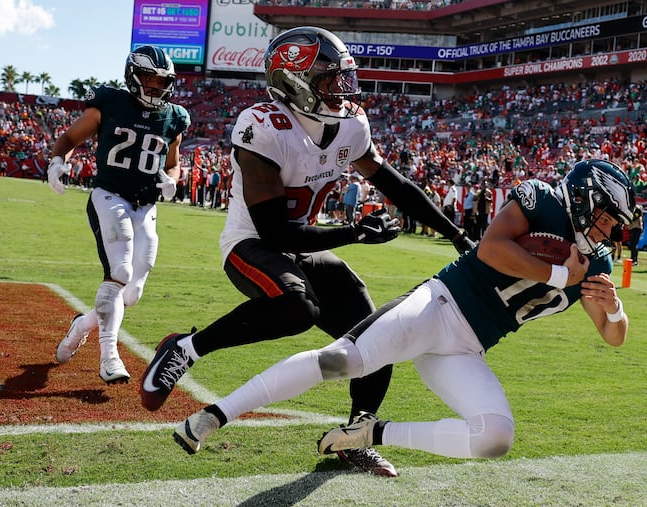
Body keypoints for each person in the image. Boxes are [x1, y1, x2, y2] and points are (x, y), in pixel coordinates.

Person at [139, 27, 473, 477]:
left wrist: (457, 234)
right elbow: (276, 232)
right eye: (328, 79)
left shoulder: (350, 124)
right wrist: (353, 233)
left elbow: (395, 184)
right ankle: (185, 348)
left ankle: (356, 436)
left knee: (377, 334)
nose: (342, 88)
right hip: (250, 244)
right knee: (298, 308)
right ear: (293, 82)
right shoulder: (261, 126)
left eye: (342, 77)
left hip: (298, 246)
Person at [169, 159, 635, 467]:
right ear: (582, 198)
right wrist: (559, 274)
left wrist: (613, 310)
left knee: (494, 437)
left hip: (467, 348)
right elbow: (491, 249)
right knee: (343, 360)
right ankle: (214, 415)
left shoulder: (597, 264)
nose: (609, 231)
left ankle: (373, 433)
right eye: (607, 218)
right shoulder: (540, 200)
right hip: (439, 304)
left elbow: (613, 336)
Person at [48, 46, 190, 384]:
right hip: (110, 196)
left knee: (132, 292)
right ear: (133, 76)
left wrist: (172, 179)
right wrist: (57, 161)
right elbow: (69, 137)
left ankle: (81, 325)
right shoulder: (110, 102)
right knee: (120, 271)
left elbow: (173, 161)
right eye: (149, 79)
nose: (156, 86)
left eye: (162, 81)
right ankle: (109, 356)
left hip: (146, 205)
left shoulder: (175, 116)